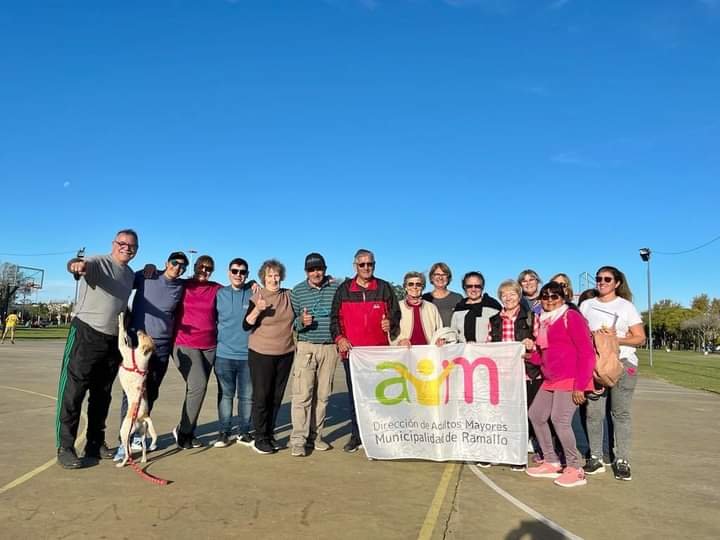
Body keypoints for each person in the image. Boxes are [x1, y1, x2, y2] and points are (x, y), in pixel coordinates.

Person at [55, 229, 138, 469]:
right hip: (86, 333)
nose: (126, 248)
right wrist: (76, 265)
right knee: (73, 392)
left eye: (132, 246)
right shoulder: (98, 262)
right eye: (122, 243)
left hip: (112, 339)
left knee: (102, 395)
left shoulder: (130, 274)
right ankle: (65, 447)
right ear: (114, 244)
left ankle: (95, 442)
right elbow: (79, 265)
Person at [113, 251, 187, 461]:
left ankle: (139, 436)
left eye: (182, 265)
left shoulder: (182, 286)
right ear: (167, 262)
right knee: (132, 395)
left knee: (151, 393)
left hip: (161, 347)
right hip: (138, 345)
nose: (178, 267)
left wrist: (252, 284)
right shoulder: (148, 276)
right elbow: (123, 283)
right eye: (174, 262)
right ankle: (124, 442)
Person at [525, 281, 596, 488]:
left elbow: (586, 352)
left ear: (562, 298)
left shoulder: (570, 316)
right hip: (551, 378)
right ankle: (551, 460)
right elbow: (544, 355)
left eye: (554, 296)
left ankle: (575, 468)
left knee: (560, 420)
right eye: (545, 296)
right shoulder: (543, 321)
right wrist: (528, 354)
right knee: (536, 415)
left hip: (571, 377)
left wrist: (580, 385)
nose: (549, 300)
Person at [330, 248, 401, 453]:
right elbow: (334, 319)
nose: (366, 268)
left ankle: (381, 434)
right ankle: (357, 435)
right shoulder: (343, 290)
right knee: (356, 397)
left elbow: (396, 313)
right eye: (362, 264)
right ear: (355, 266)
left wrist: (391, 322)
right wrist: (340, 338)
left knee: (380, 396)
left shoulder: (384, 288)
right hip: (353, 355)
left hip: (379, 355)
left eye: (370, 264)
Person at [580, 266, 645, 481]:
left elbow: (640, 338)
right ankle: (596, 457)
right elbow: (580, 333)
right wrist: (594, 336)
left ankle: (622, 460)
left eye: (607, 279)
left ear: (617, 283)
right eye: (599, 278)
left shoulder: (626, 307)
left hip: (622, 363)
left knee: (620, 413)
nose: (602, 282)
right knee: (593, 413)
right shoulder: (587, 305)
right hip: (595, 364)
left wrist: (615, 338)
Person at [288, 253, 340, 457]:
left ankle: (315, 436)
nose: (316, 273)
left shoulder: (335, 288)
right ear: (306, 272)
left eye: (319, 269)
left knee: (323, 396)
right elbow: (291, 322)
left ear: (325, 269)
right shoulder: (298, 291)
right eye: (311, 270)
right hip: (306, 347)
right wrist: (301, 322)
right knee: (302, 395)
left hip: (329, 348)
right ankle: (298, 440)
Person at [243, 259, 295, 455]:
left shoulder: (289, 295)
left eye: (276, 275)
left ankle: (269, 433)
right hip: (261, 353)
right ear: (263, 278)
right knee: (262, 396)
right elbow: (246, 325)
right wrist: (258, 309)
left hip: (285, 353)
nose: (274, 279)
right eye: (270, 276)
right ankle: (260, 438)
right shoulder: (258, 296)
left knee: (276, 396)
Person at [487, 279, 539, 470]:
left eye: (512, 294)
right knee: (503, 414)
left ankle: (518, 455)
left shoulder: (531, 317)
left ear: (519, 296)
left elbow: (541, 343)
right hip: (502, 375)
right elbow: (488, 346)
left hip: (526, 374)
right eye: (504, 295)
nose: (508, 298)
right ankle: (499, 450)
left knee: (523, 415)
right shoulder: (494, 320)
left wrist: (532, 345)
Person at [172, 255, 223, 449]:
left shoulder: (216, 289)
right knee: (198, 385)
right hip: (184, 344)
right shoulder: (183, 285)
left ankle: (189, 429)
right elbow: (165, 279)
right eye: (201, 266)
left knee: (195, 390)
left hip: (209, 346)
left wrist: (252, 284)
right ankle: (184, 433)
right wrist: (150, 269)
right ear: (194, 267)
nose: (204, 270)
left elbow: (236, 292)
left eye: (209, 268)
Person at [213, 258, 255, 448]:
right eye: (235, 271)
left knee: (246, 397)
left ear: (247, 274)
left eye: (242, 272)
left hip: (248, 356)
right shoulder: (219, 294)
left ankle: (244, 432)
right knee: (225, 395)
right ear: (228, 272)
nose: (238, 275)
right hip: (223, 355)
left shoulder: (254, 293)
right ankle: (224, 432)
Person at [394, 271, 444, 346]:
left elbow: (440, 331)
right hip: (404, 350)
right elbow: (390, 331)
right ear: (405, 287)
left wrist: (439, 339)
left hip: (428, 351)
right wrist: (399, 342)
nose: (414, 287)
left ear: (423, 287)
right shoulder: (397, 307)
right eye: (410, 284)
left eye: (418, 284)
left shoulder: (431, 308)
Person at [451, 271, 501, 344]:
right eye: (469, 286)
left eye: (477, 286)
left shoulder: (493, 306)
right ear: (464, 287)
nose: (473, 289)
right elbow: (453, 333)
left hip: (488, 349)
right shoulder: (459, 309)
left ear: (482, 287)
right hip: (464, 349)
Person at [421, 262, 463, 327]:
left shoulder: (458, 298)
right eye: (437, 274)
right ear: (432, 277)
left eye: (444, 274)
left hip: (452, 333)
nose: (440, 277)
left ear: (448, 278)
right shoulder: (424, 298)